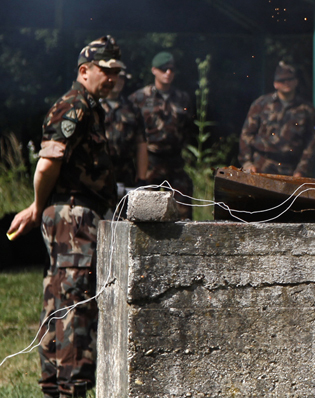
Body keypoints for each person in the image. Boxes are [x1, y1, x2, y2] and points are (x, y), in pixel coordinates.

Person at [6, 35, 123, 398]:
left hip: (75, 215)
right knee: (75, 300)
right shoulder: (75, 106)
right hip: (73, 218)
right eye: (106, 71)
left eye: (117, 72)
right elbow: (47, 165)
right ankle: (68, 387)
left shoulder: (90, 106)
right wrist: (36, 207)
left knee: (60, 296)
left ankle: (57, 386)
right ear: (84, 70)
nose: (113, 77)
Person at [129, 51, 194, 219]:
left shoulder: (182, 98)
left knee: (183, 212)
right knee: (145, 212)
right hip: (150, 162)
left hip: (175, 162)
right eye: (164, 69)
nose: (168, 73)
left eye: (171, 69)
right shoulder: (139, 97)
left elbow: (188, 128)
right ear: (154, 70)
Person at [239, 61, 315, 177]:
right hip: (261, 166)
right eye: (282, 80)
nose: (286, 83)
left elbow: (311, 142)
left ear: (296, 82)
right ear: (275, 84)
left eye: (290, 79)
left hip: (290, 169)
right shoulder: (261, 104)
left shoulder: (306, 109)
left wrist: (302, 170)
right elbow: (246, 134)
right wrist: (247, 163)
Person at [101, 71, 148, 191]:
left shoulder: (132, 108)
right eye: (116, 77)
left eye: (122, 78)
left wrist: (142, 178)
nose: (119, 81)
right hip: (98, 173)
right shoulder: (93, 105)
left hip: (126, 173)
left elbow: (141, 143)